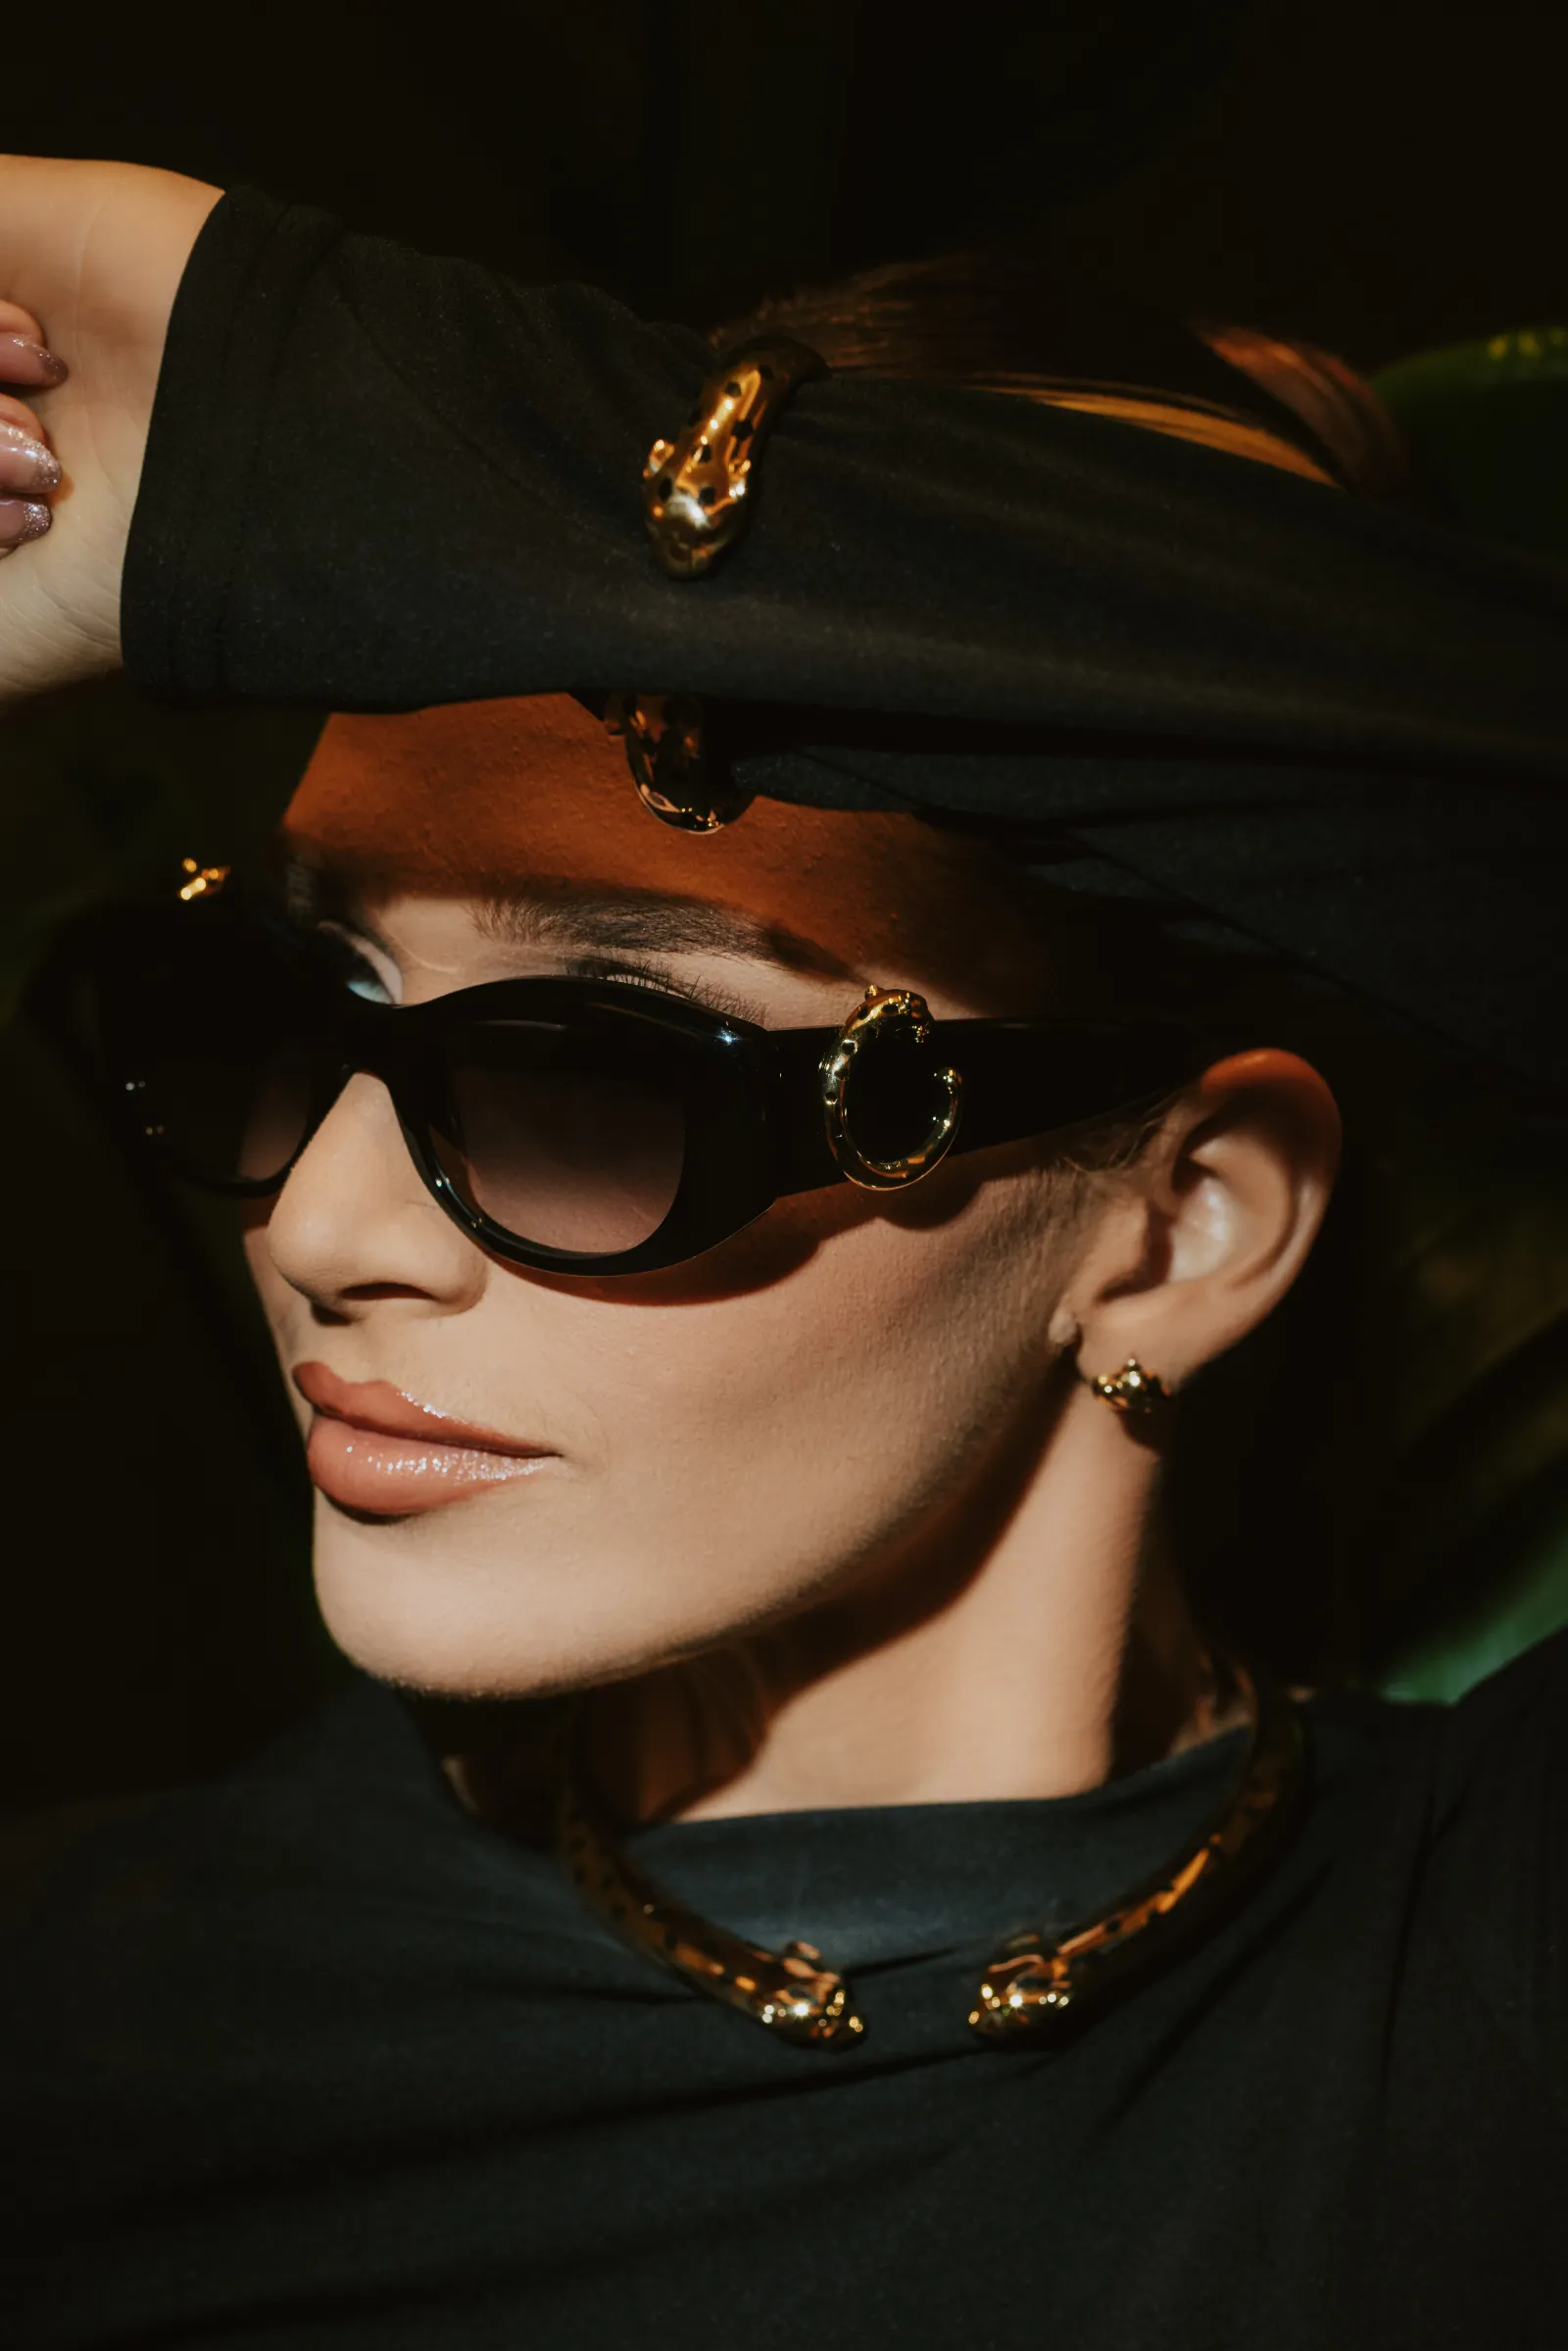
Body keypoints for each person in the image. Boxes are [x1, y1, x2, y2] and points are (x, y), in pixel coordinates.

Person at [1, 157, 1564, 2349]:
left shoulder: (1475, 2016)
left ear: (1182, 1220)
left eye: (594, 1082)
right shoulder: (88, 2031)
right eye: (279, 1014)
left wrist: (331, 418)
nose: (321, 1228)